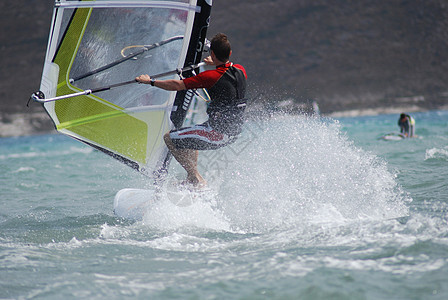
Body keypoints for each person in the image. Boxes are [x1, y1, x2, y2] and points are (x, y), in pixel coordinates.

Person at [136, 33, 247, 187]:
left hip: (217, 133)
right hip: (234, 131)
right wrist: (215, 62)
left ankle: (196, 179)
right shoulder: (241, 70)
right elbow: (225, 74)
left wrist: (150, 81)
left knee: (170, 138)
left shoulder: (211, 76)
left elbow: (177, 85)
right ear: (230, 53)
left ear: (213, 54)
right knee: (189, 136)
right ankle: (192, 180)